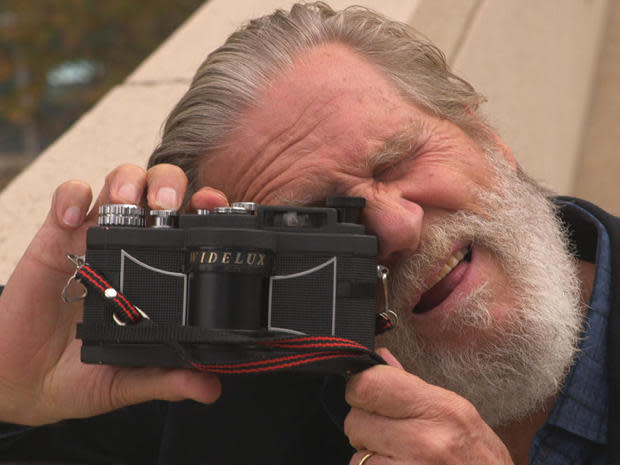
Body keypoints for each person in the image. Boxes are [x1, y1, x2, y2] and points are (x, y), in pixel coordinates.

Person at [0, 2, 616, 464]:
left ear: (489, 140)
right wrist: (13, 395)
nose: (398, 227)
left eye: (398, 162)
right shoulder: (219, 391)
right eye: (323, 219)